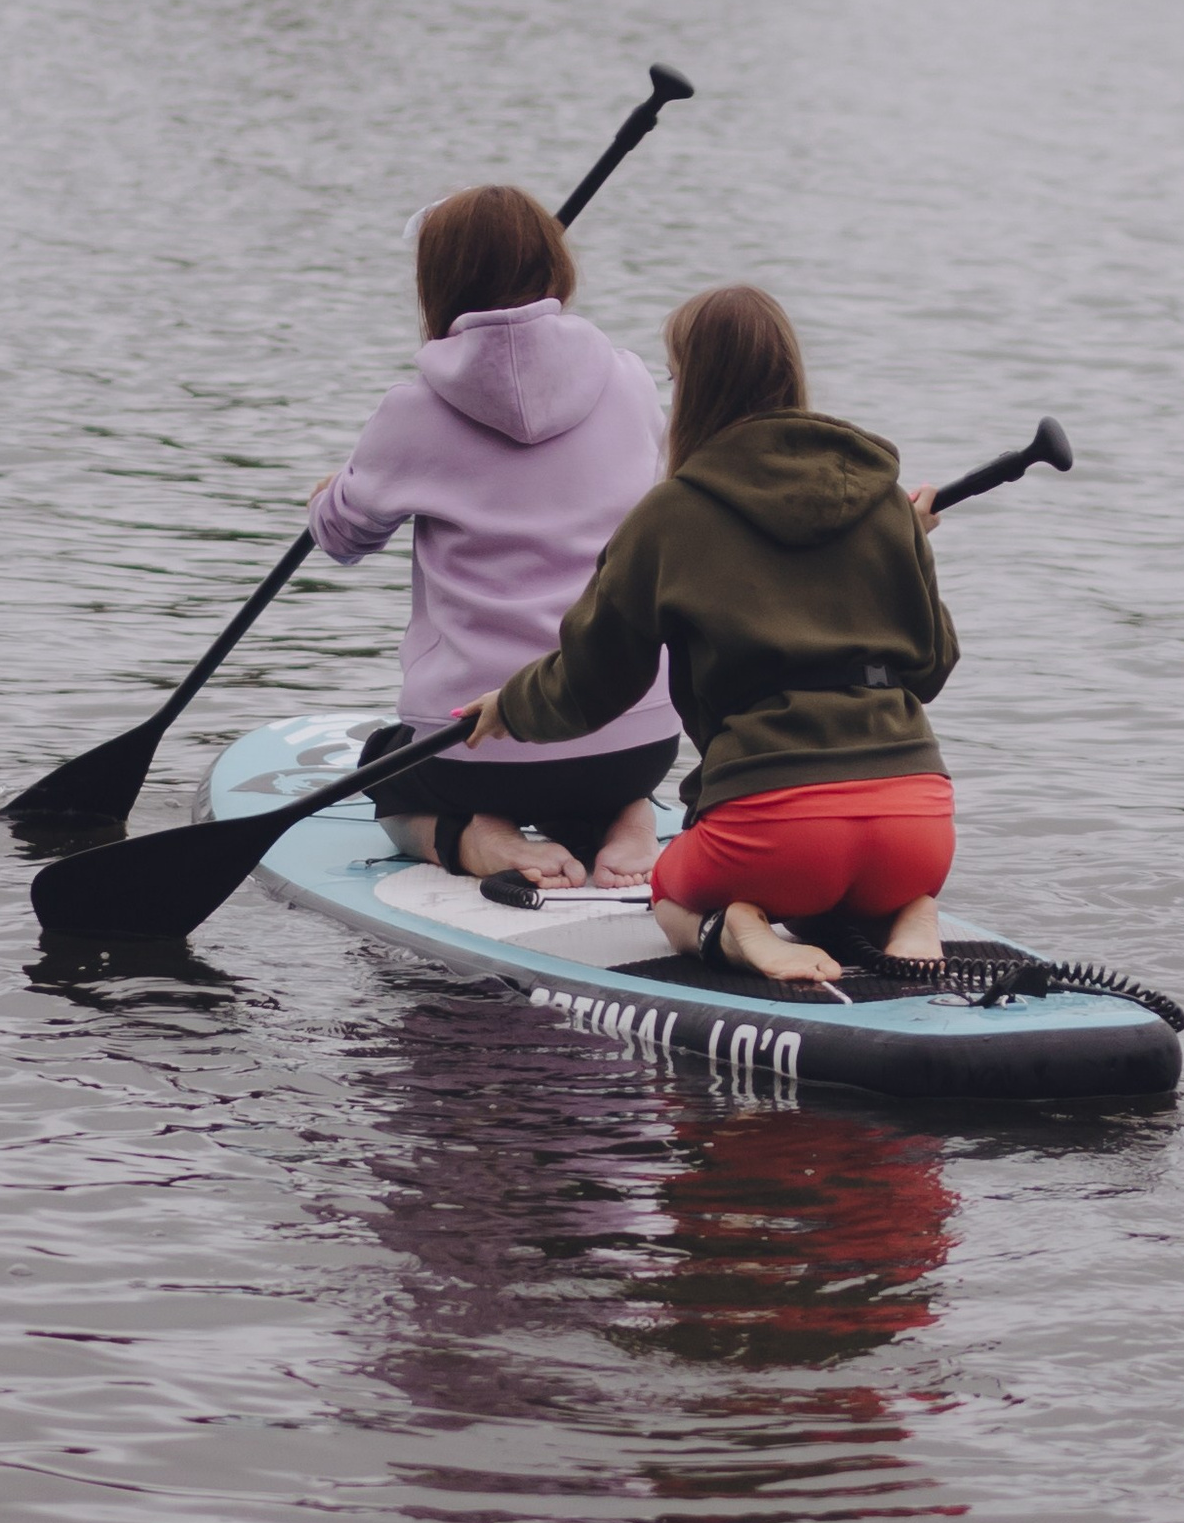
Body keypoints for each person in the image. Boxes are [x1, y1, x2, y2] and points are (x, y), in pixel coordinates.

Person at [463, 284, 956, 989]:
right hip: (918, 827)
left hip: (776, 831)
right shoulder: (884, 500)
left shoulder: (673, 515)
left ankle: (740, 930)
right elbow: (931, 668)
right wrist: (910, 543)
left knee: (669, 889)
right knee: (862, 884)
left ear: (695, 386)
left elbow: (593, 680)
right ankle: (912, 914)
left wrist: (511, 706)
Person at [308, 183, 679, 888]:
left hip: (473, 746)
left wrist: (333, 491)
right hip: (637, 736)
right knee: (600, 764)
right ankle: (630, 815)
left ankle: (476, 837)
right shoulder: (630, 381)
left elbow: (343, 538)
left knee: (384, 769)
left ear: (437, 284)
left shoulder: (411, 413)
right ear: (555, 269)